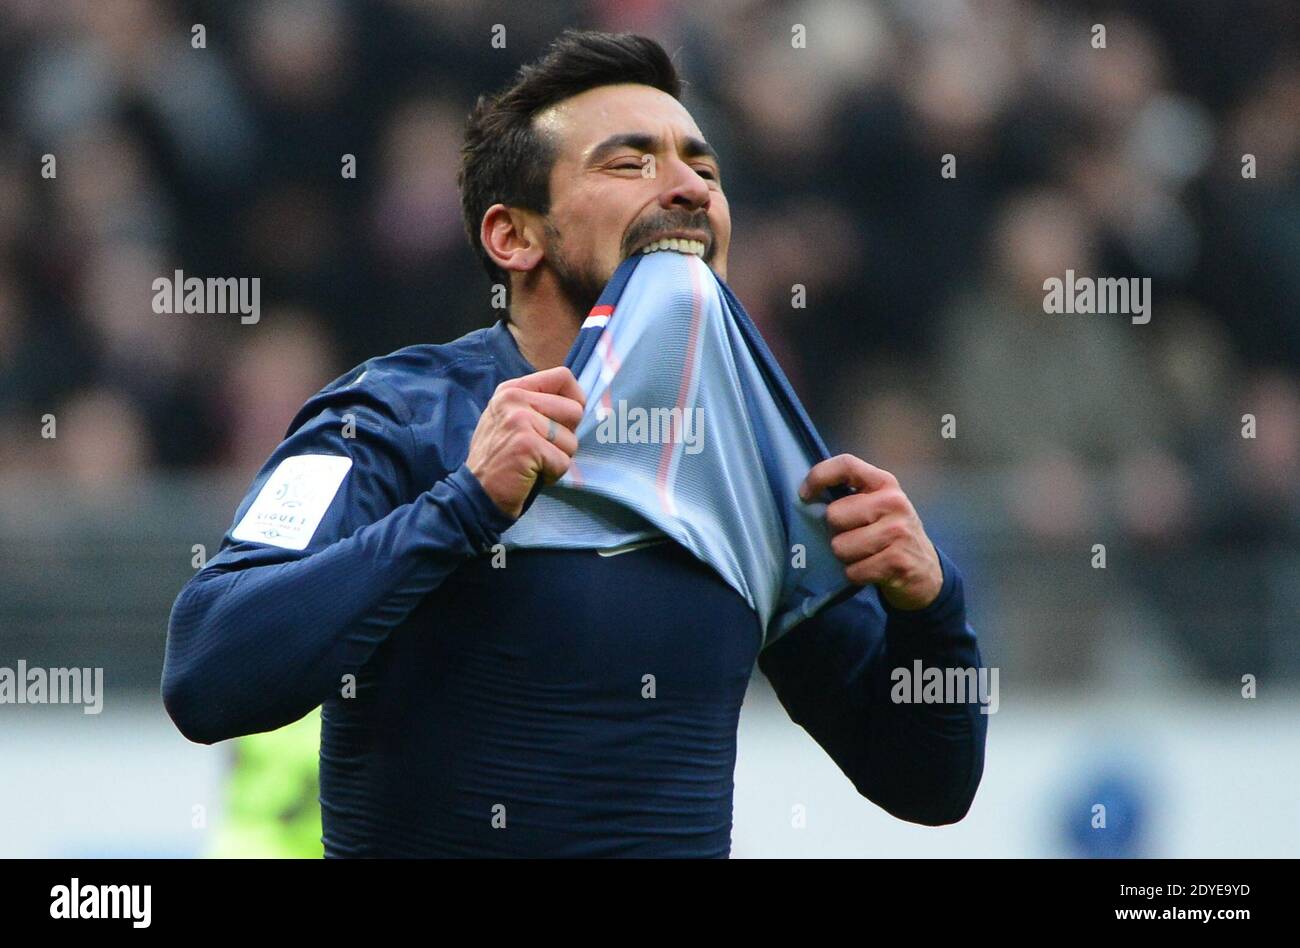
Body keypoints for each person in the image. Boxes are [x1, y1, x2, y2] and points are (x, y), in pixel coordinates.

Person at [162, 30, 987, 857]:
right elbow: (209, 673)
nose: (687, 190)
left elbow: (928, 786)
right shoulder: (392, 416)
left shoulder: (750, 460)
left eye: (704, 169)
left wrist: (931, 610)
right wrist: (463, 506)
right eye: (629, 164)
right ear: (512, 237)